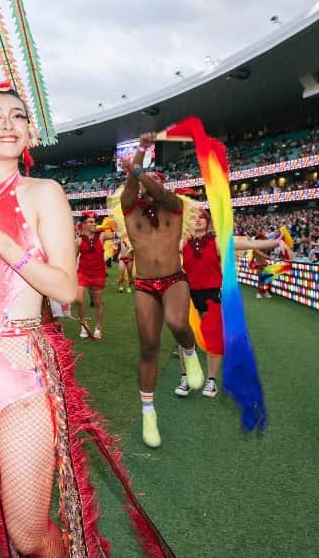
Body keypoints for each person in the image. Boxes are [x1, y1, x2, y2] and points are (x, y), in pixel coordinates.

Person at [0, 83, 171, 557]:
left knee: (29, 537)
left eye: (17, 116)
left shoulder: (45, 193)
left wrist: (0, 239)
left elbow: (63, 288)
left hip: (22, 378)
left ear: (29, 134)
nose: (8, 124)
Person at [119, 132, 196, 448]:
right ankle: (148, 412)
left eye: (154, 184)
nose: (148, 191)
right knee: (148, 346)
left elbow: (156, 191)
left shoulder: (173, 205)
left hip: (174, 279)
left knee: (178, 323)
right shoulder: (129, 208)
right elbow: (133, 186)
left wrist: (137, 167)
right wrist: (140, 150)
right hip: (144, 285)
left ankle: (189, 353)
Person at [177, 206, 283, 399]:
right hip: (188, 293)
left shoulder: (217, 241)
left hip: (212, 294)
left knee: (213, 337)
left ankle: (211, 381)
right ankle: (186, 377)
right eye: (195, 218)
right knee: (184, 338)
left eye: (202, 217)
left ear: (208, 222)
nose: (198, 220)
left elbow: (248, 245)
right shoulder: (182, 242)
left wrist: (275, 242)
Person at [74, 211, 116, 338]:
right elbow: (73, 258)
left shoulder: (102, 235)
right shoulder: (79, 240)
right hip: (83, 273)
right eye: (90, 222)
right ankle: (83, 324)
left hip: (98, 274)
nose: (94, 224)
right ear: (84, 224)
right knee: (79, 299)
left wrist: (116, 223)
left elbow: (118, 234)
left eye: (94, 221)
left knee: (98, 303)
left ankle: (98, 327)